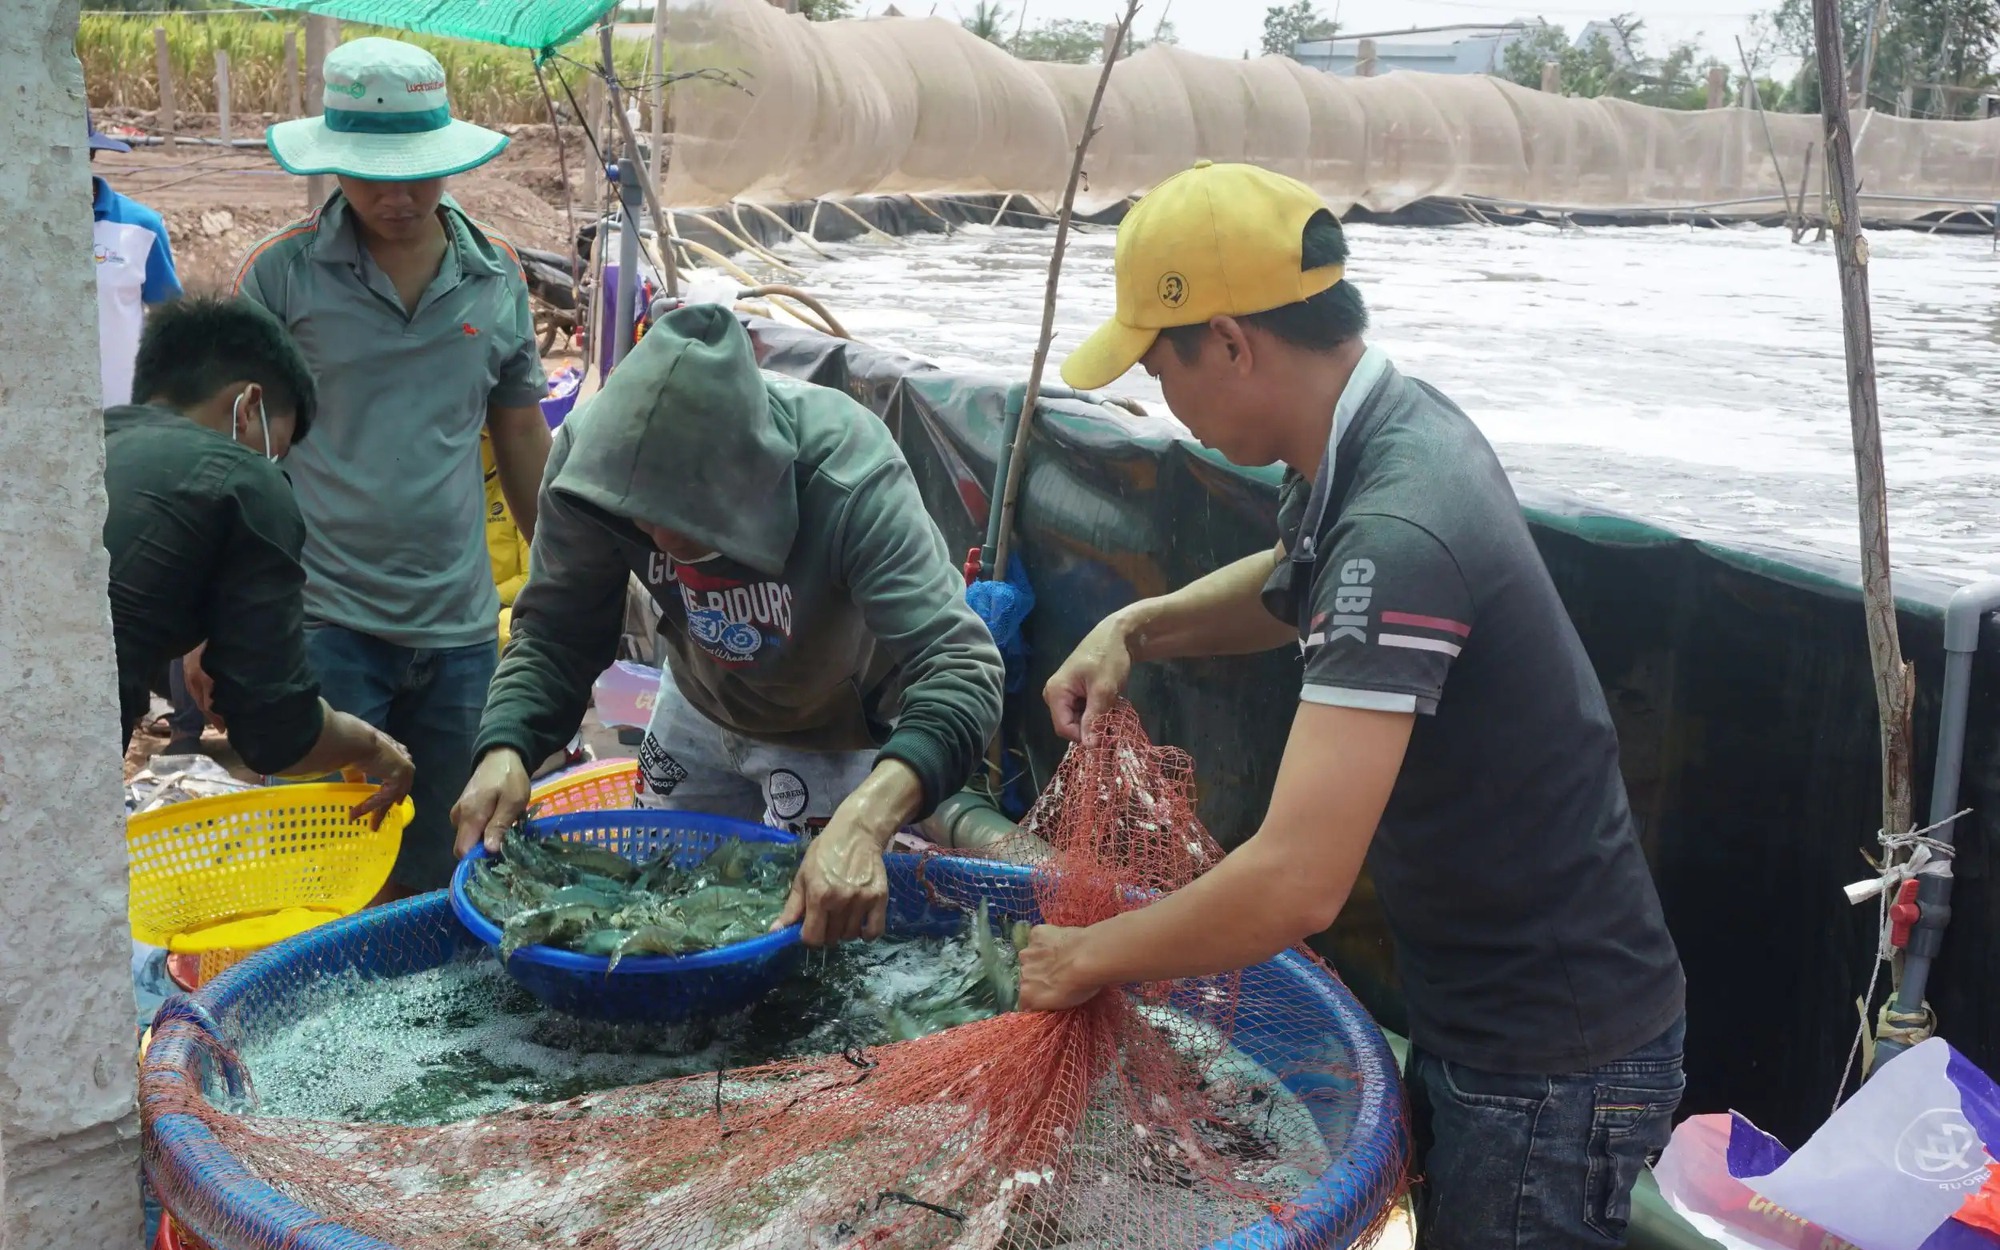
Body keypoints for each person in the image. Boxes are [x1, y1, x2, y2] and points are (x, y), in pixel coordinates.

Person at [1017, 162, 1686, 1249]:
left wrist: (1089, 956)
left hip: (1547, 1062)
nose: (1159, 398)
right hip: (1496, 1017)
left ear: (1231, 343)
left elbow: (1295, 881)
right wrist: (1133, 627)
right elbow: (1298, 575)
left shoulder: (1399, 525)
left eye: (1157, 361)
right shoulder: (1373, 435)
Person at [450, 303, 1005, 946]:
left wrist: (865, 822)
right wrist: (507, 746)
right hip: (695, 701)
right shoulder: (591, 468)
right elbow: (555, 633)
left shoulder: (850, 481)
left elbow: (962, 666)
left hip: (832, 727)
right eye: (640, 518)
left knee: (811, 939)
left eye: (687, 519)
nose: (656, 536)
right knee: (654, 913)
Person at [222, 36, 553, 894]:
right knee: (332, 862)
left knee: (456, 854)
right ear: (333, 164)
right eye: (370, 175)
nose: (396, 196)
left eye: (416, 172)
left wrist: (559, 576)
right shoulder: (281, 275)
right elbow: (233, 446)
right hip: (325, 617)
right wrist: (213, 611)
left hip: (460, 628)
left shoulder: (496, 276)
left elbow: (519, 434)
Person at [106, 295, 412, 820]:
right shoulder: (244, 478)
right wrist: (374, 746)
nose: (269, 463)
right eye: (276, 446)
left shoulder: (93, 439)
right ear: (248, 407)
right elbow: (276, 731)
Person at [89, 113, 182, 408]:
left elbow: (169, 322)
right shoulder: (17, 229)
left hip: (122, 413)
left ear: (89, 155)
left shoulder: (140, 228)